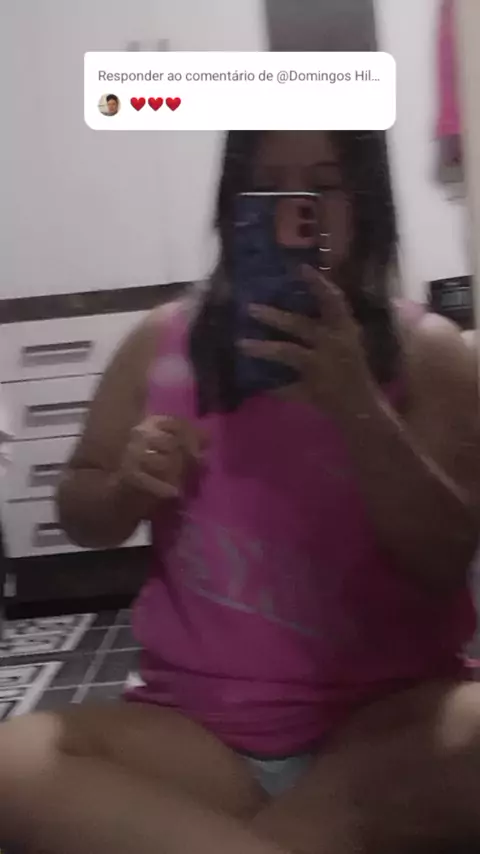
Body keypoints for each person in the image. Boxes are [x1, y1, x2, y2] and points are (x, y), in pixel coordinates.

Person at [0, 130, 479, 854]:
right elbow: (80, 511)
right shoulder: (162, 342)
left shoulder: (430, 353)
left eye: (323, 185)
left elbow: (443, 561)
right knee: (13, 760)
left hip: (383, 731)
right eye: (267, 186)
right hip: (199, 733)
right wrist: (125, 486)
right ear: (232, 205)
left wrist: (357, 404)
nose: (293, 209)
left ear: (367, 204)